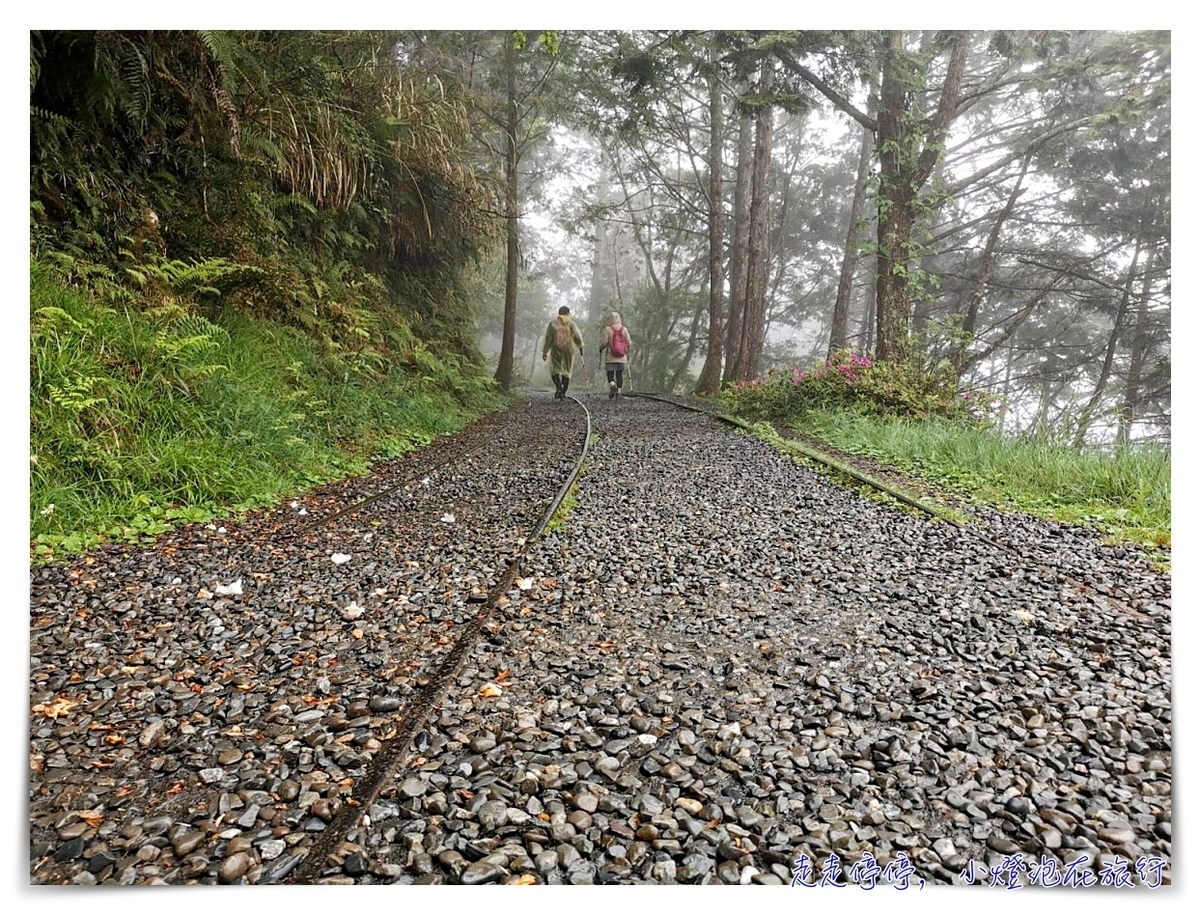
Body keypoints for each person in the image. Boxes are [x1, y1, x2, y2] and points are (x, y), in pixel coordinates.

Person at [542, 305, 585, 399]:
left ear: (559, 314)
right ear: (568, 313)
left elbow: (548, 338)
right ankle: (563, 391)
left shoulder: (553, 324)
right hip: (569, 349)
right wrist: (581, 346)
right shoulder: (571, 324)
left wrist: (545, 351)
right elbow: (577, 336)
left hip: (556, 348)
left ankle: (558, 386)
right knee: (567, 370)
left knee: (555, 369)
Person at [599, 311, 632, 399]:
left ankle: (613, 387)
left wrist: (601, 347)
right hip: (622, 356)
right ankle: (619, 393)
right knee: (619, 374)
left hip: (611, 356)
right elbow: (629, 342)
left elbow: (604, 342)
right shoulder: (624, 329)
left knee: (610, 374)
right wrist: (627, 351)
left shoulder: (607, 329)